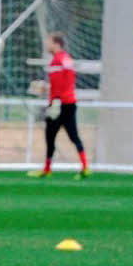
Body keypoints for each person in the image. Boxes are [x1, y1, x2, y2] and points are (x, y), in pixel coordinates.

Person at [28, 32, 90, 179]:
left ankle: (85, 167)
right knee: (50, 135)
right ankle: (47, 169)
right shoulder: (55, 61)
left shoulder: (63, 60)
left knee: (73, 135)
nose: (47, 45)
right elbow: (56, 85)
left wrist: (57, 99)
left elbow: (66, 84)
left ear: (56, 43)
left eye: (49, 42)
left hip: (65, 104)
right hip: (56, 103)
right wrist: (44, 88)